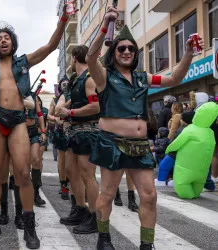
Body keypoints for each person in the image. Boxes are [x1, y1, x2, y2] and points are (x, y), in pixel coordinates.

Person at [86, 4, 203, 248]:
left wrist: (188, 55)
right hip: (111, 144)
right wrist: (105, 24)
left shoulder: (143, 77)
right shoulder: (103, 75)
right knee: (106, 194)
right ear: (114, 51)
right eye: (122, 48)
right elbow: (89, 56)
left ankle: (146, 245)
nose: (127, 51)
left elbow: (175, 79)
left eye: (131, 48)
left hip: (139, 146)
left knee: (149, 196)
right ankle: (104, 238)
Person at [0, 6, 75, 248]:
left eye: (6, 37)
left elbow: (50, 47)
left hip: (19, 120)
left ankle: (30, 227)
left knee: (23, 173)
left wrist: (64, 19)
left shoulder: (23, 61)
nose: (3, 41)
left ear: (13, 42)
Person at [56, 45, 99, 234]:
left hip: (87, 131)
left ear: (74, 57)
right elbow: (76, 99)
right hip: (74, 131)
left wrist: (69, 111)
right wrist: (64, 106)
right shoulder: (77, 80)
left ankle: (95, 216)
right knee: (70, 171)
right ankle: (80, 209)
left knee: (86, 174)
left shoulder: (89, 79)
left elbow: (96, 106)